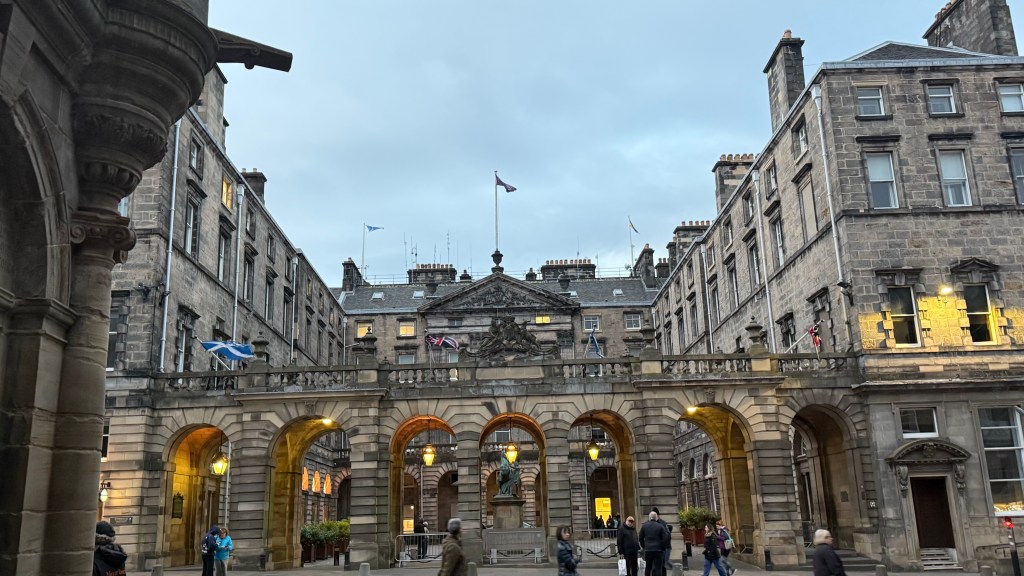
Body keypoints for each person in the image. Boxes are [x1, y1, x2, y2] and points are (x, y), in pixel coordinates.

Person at [639, 510, 669, 576]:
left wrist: (644, 546)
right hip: (658, 550)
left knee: (648, 568)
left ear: (649, 517)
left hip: (648, 549)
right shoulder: (660, 526)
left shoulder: (644, 526)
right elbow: (665, 538)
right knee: (658, 568)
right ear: (656, 517)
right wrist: (663, 547)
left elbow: (640, 538)